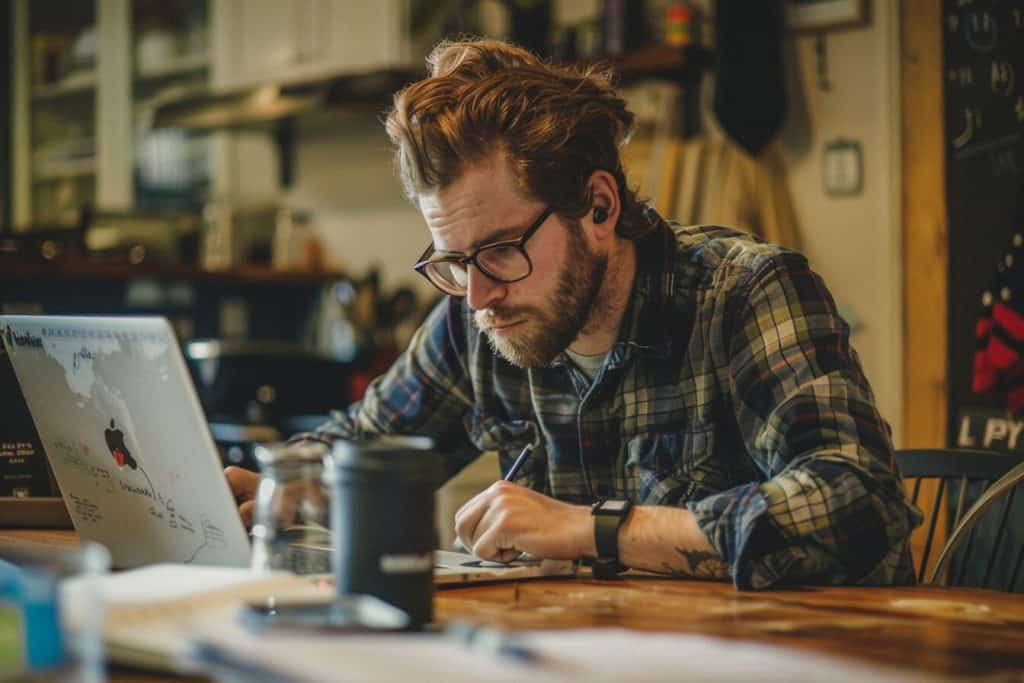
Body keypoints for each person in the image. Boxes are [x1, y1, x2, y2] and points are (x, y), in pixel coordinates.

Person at [227, 38, 920, 589]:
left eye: (499, 251)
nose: (476, 295)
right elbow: (364, 443)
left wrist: (597, 528)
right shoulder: (478, 314)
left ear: (598, 208)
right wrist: (287, 482)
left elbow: (856, 498)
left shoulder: (744, 293)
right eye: (453, 261)